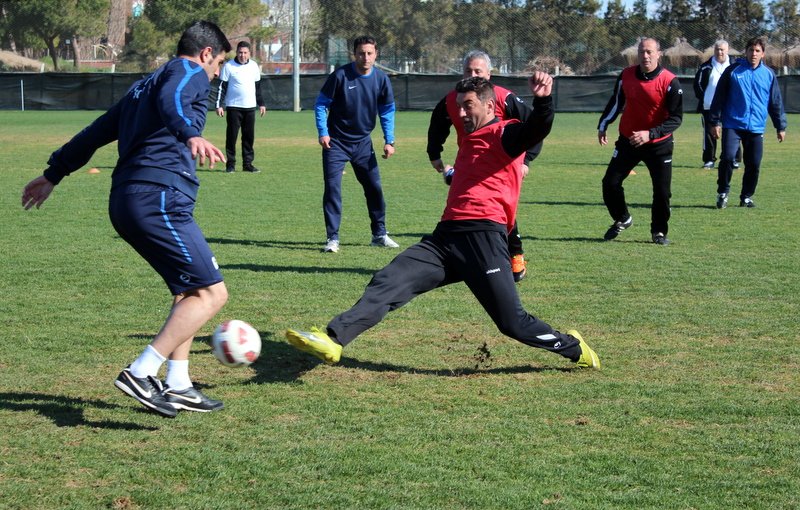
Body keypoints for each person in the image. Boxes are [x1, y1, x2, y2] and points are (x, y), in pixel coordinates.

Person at [286, 74, 600, 370]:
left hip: (483, 239)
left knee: (512, 323)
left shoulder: (505, 132)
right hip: (445, 238)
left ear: (490, 106)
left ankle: (574, 347)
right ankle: (333, 339)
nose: (460, 112)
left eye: (469, 105)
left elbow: (537, 129)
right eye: (459, 105)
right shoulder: (470, 141)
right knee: (390, 278)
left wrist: (544, 101)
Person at [21, 21, 232, 418]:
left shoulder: (142, 87)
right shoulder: (186, 72)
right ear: (206, 54)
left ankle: (179, 382)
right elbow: (174, 99)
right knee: (212, 294)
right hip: (158, 196)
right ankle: (142, 370)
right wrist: (189, 133)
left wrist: (54, 173)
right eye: (218, 62)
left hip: (130, 198)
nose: (218, 71)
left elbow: (97, 131)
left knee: (189, 291)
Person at [427, 50, 543, 282]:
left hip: (501, 166)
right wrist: (434, 154)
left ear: (489, 74)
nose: (473, 74)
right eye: (468, 71)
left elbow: (535, 126)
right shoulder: (453, 99)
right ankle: (465, 257)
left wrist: (527, 160)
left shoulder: (502, 96)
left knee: (499, 210)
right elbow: (438, 123)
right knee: (465, 209)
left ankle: (515, 254)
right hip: (470, 165)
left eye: (478, 71)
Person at [314, 35, 399, 253]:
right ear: (355, 54)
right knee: (333, 189)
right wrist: (323, 132)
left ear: (376, 54)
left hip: (363, 143)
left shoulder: (381, 79)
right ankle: (332, 238)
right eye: (361, 53)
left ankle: (379, 234)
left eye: (370, 53)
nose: (365, 57)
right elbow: (321, 104)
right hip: (336, 143)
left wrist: (389, 140)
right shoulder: (340, 75)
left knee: (374, 188)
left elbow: (387, 110)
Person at [597, 37, 683, 246]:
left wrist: (650, 134)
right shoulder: (626, 75)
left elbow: (676, 119)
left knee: (662, 192)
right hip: (629, 141)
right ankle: (623, 217)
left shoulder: (670, 81)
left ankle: (659, 232)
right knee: (610, 183)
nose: (645, 55)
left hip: (659, 145)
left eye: (649, 52)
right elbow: (616, 102)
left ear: (658, 54)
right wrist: (603, 124)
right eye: (642, 51)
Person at [710, 37, 787, 209]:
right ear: (746, 52)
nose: (754, 54)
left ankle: (746, 196)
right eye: (751, 50)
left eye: (757, 51)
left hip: (756, 126)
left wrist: (780, 126)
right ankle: (723, 192)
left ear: (763, 54)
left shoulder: (768, 74)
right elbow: (719, 97)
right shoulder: (733, 71)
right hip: (733, 124)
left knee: (754, 164)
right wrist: (715, 121)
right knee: (728, 158)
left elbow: (775, 102)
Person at [215, 40, 266, 173]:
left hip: (250, 107)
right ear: (236, 53)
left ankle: (247, 164)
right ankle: (230, 165)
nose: (242, 55)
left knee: (248, 137)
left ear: (249, 53)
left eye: (245, 53)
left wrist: (261, 104)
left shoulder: (254, 66)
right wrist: (219, 105)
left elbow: (258, 87)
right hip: (233, 107)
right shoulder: (228, 66)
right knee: (232, 137)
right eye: (240, 52)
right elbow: (222, 87)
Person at [693, 40, 740, 169]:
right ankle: (709, 160)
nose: (720, 52)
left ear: (727, 50)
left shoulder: (735, 66)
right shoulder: (705, 67)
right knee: (709, 135)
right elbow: (697, 85)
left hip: (730, 107)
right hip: (709, 107)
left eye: (722, 49)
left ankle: (734, 159)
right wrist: (706, 99)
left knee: (732, 133)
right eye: (717, 49)